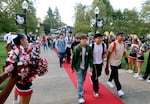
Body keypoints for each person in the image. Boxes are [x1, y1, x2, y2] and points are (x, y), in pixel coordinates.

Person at [4, 33, 48, 104]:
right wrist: (27, 65)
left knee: (23, 100)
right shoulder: (17, 51)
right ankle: (16, 101)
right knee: (25, 101)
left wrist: (37, 63)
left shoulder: (23, 50)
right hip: (24, 81)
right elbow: (11, 65)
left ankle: (15, 101)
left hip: (24, 80)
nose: (28, 41)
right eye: (26, 40)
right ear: (21, 41)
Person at [71, 35, 93, 104]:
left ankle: (80, 89)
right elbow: (74, 58)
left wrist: (91, 66)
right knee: (80, 81)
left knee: (83, 80)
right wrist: (72, 67)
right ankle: (80, 96)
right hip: (78, 67)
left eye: (85, 39)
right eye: (83, 39)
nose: (84, 41)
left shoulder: (89, 48)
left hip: (85, 66)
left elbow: (90, 58)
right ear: (80, 40)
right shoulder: (77, 48)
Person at [105, 32, 126, 97]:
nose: (122, 37)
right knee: (116, 75)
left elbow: (124, 52)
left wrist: (126, 59)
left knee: (114, 72)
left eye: (123, 36)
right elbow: (108, 54)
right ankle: (119, 90)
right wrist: (107, 65)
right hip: (112, 61)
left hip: (118, 62)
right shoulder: (113, 44)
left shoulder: (123, 44)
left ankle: (109, 80)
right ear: (117, 36)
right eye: (121, 36)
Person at [91, 33, 107, 98]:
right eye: (98, 38)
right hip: (94, 63)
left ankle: (92, 77)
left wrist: (105, 55)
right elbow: (89, 55)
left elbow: (105, 52)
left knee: (99, 74)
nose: (100, 39)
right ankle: (96, 91)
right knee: (96, 77)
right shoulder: (91, 45)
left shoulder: (103, 45)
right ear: (94, 39)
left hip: (100, 62)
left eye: (101, 38)